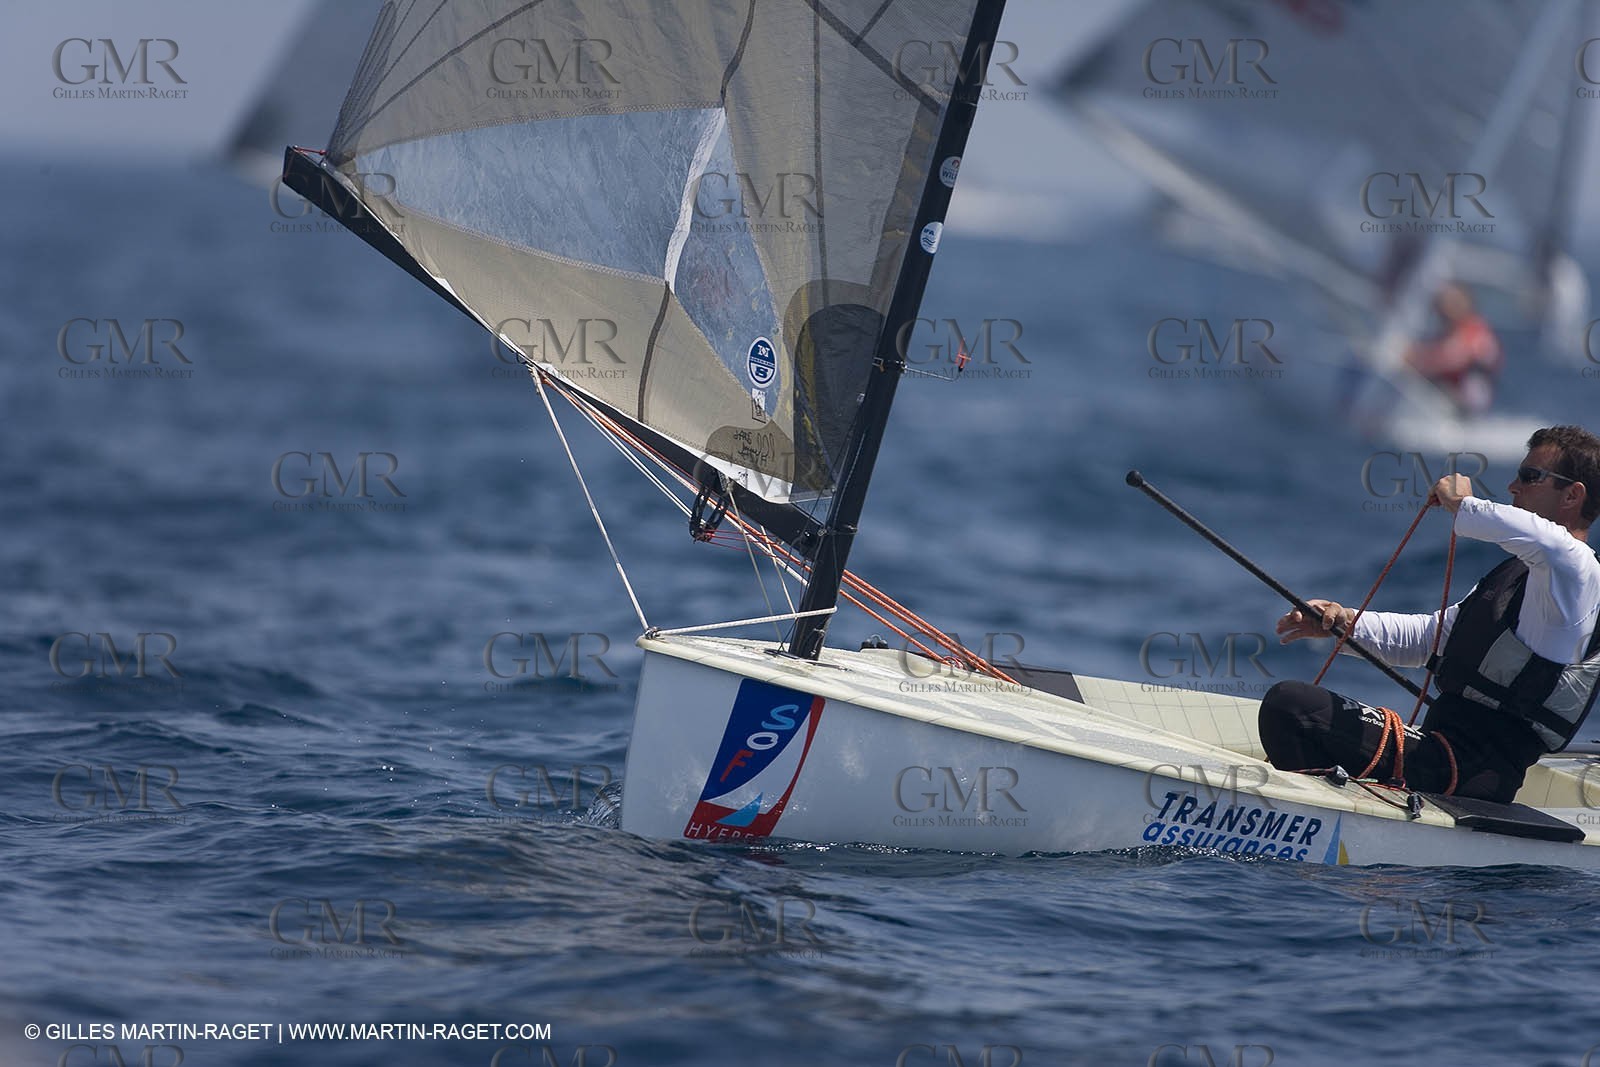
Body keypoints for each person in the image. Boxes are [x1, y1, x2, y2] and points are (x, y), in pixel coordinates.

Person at [1259, 426, 1600, 803]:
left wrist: (1466, 505)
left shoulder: (1578, 571)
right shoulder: (1519, 575)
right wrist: (1342, 622)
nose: (1513, 486)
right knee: (1294, 707)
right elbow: (1430, 639)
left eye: (1530, 476)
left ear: (1572, 495)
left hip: (1466, 769)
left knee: (1291, 706)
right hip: (1441, 754)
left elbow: (1548, 542)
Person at [1404, 283, 1503, 415]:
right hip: (1447, 389)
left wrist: (1414, 358)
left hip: (1464, 400)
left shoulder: (1474, 331)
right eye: (1444, 302)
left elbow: (1451, 359)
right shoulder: (1451, 329)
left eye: (1454, 302)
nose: (1447, 307)